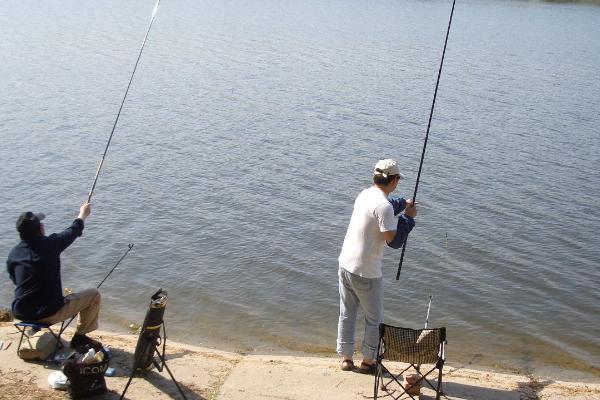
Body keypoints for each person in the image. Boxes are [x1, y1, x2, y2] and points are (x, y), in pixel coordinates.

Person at [336, 159, 417, 374]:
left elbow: (389, 205)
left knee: (347, 313)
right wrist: (408, 219)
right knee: (375, 319)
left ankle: (345, 359)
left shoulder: (365, 194)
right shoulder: (383, 206)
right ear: (395, 180)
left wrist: (404, 203)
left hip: (345, 264)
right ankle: (368, 362)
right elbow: (394, 241)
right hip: (367, 272)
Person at [7, 201, 103, 350]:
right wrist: (83, 213)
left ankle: (34, 328)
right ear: (40, 229)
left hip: (21, 312)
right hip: (48, 313)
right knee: (94, 294)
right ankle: (80, 338)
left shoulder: (13, 254)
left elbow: (17, 281)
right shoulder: (51, 244)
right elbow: (73, 230)